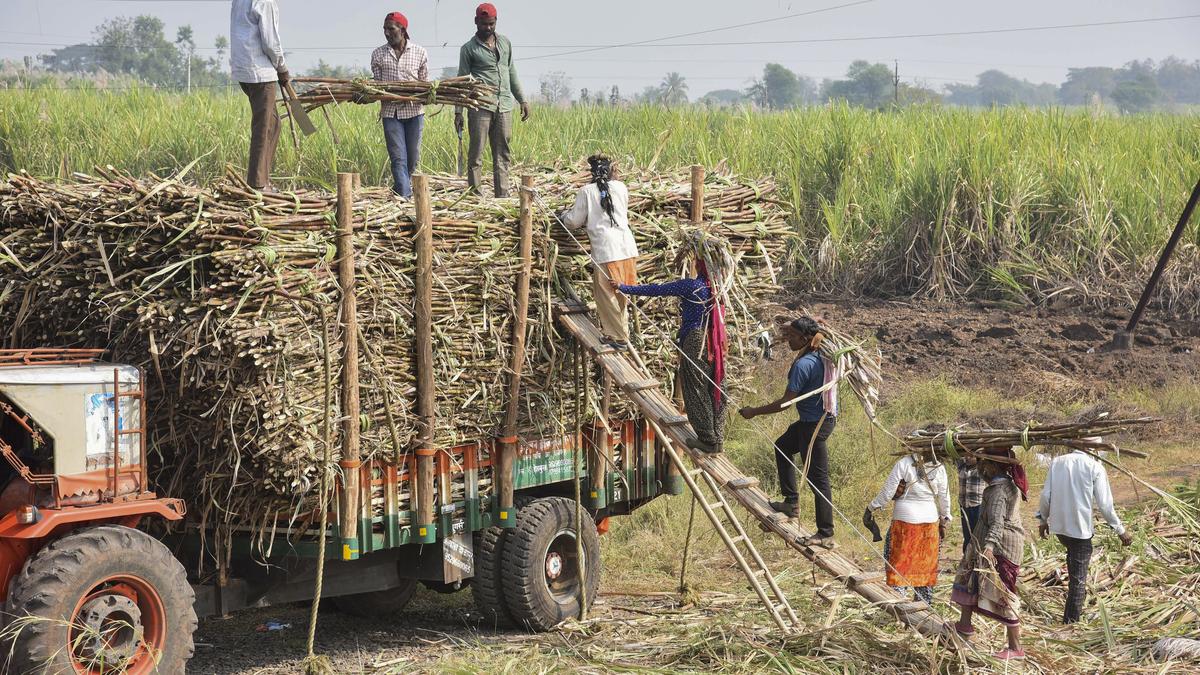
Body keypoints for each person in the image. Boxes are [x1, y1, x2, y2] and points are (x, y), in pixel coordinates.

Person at [614, 246, 726, 454]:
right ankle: (717, 439)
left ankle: (707, 439)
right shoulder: (719, 289)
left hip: (696, 340)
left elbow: (657, 289)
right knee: (715, 386)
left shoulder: (692, 286)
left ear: (701, 265)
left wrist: (624, 288)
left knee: (695, 388)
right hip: (716, 342)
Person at [738, 317, 838, 548]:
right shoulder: (819, 354)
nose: (788, 340)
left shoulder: (804, 365)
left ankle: (825, 533)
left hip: (815, 426)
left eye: (792, 336)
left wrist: (754, 412)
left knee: (818, 479)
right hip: (817, 420)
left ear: (804, 338)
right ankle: (791, 503)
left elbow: (785, 403)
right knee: (782, 446)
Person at [1036, 444, 1133, 624]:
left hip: (1060, 529)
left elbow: (1045, 496)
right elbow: (1105, 505)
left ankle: (1073, 613)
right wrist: (1121, 530)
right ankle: (1070, 623)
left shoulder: (1057, 462)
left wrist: (1043, 520)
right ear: (1094, 449)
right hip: (1080, 530)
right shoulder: (1095, 466)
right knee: (1078, 581)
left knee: (1073, 564)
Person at [952, 447, 1027, 660]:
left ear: (993, 466)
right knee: (969, 578)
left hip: (1002, 548)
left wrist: (990, 546)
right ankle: (964, 625)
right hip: (984, 542)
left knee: (1004, 593)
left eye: (984, 463)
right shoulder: (999, 485)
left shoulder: (998, 491)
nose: (981, 467)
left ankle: (1015, 648)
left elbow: (997, 522)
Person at [558, 154, 638, 350]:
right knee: (622, 292)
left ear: (592, 172)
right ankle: (622, 333)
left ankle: (617, 337)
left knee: (606, 294)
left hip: (606, 250)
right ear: (610, 171)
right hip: (627, 248)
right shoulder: (621, 187)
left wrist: (563, 216)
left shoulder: (586, 191)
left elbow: (574, 221)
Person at [455, 3, 530, 198]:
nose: (487, 27)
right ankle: (476, 196)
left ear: (496, 21)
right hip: (480, 106)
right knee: (476, 153)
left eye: (491, 24)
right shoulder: (468, 49)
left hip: (504, 105)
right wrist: (458, 112)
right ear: (476, 22)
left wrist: (522, 100)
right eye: (484, 24)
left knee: (502, 153)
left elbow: (511, 72)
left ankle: (502, 196)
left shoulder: (505, 43)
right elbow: (461, 82)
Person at [867, 453, 951, 604]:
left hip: (904, 523)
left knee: (898, 568)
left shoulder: (904, 463)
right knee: (925, 569)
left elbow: (887, 492)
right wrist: (944, 518)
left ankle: (898, 606)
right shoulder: (939, 467)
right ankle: (922, 607)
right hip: (930, 524)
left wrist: (871, 508)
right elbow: (944, 497)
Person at [369, 12, 429, 198]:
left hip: (414, 112)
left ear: (402, 30)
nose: (387, 33)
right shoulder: (378, 54)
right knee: (398, 158)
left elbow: (425, 84)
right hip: (390, 113)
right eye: (385, 29)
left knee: (413, 158)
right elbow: (377, 86)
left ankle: (400, 189)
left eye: (391, 29)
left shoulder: (419, 52)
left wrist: (423, 95)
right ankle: (405, 198)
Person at [230, 0, 288, 191]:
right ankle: (258, 184)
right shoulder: (265, 1)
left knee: (273, 124)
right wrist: (282, 68)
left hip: (244, 70)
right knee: (263, 128)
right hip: (260, 72)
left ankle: (263, 180)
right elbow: (271, 43)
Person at [957, 456, 985, 553]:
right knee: (967, 535)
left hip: (978, 506)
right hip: (964, 506)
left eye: (971, 456)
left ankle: (978, 557)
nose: (967, 457)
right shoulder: (961, 465)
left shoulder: (982, 467)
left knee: (978, 534)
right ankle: (966, 556)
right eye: (966, 455)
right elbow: (955, 454)